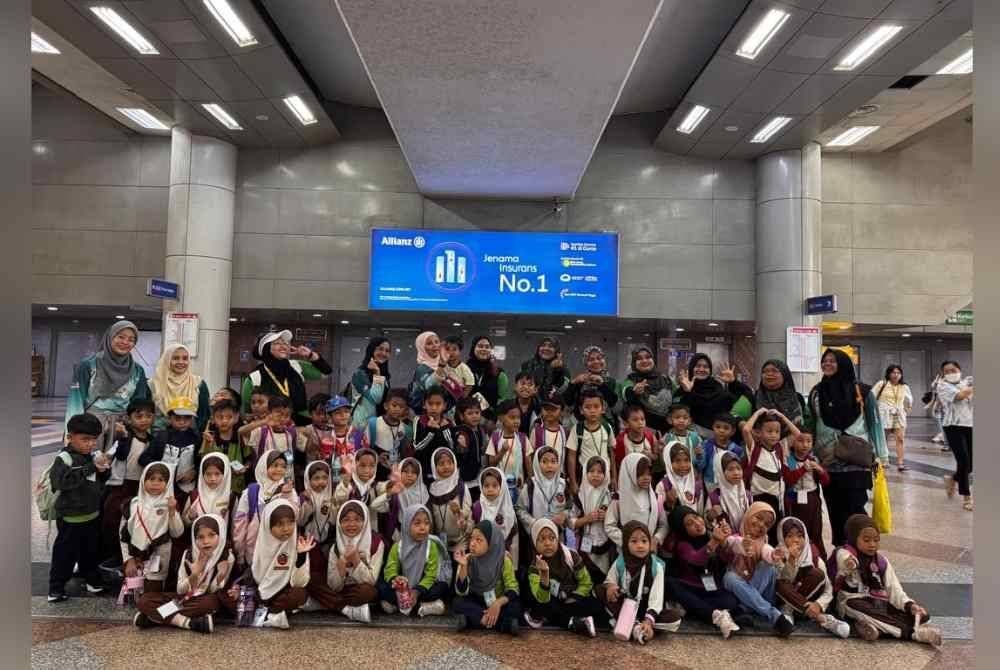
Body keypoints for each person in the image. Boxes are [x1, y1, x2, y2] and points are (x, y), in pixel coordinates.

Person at [808, 349, 887, 547]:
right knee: (834, 509)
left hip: (856, 461)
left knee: (856, 508)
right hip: (828, 461)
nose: (827, 364)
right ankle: (841, 549)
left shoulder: (863, 391)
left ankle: (862, 547)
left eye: (832, 361)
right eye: (824, 361)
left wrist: (881, 455)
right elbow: (813, 424)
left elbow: (875, 424)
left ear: (843, 364)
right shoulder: (817, 392)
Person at [831, 514, 942, 647]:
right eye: (866, 540)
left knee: (922, 617)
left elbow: (893, 589)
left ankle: (871, 627)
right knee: (862, 608)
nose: (872, 545)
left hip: (877, 600)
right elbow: (844, 560)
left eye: (876, 540)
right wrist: (849, 563)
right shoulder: (844, 552)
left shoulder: (881, 561)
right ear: (854, 538)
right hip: (850, 600)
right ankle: (911, 634)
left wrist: (910, 605)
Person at [222, 499, 313, 630]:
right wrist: (239, 590)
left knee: (299, 594)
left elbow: (300, 582)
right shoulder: (260, 544)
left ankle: (268, 614)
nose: (286, 529)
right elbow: (253, 574)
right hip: (259, 594)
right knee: (229, 597)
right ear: (267, 525)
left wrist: (301, 556)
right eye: (280, 524)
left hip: (282, 594)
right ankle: (273, 615)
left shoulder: (298, 544)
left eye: (290, 523)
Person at [134, 514, 232, 634]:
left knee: (211, 603)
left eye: (211, 535)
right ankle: (189, 623)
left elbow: (213, 591)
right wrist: (194, 575)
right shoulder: (188, 555)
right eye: (200, 537)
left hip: (202, 600)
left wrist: (220, 577)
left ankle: (154, 618)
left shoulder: (227, 557)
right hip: (184, 599)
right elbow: (180, 590)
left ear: (221, 534)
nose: (206, 541)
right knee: (144, 600)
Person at [48, 413, 109, 602]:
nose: (90, 444)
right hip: (70, 519)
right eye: (85, 439)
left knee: (90, 552)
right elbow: (61, 483)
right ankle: (56, 588)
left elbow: (98, 484)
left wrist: (104, 471)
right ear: (70, 437)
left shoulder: (92, 456)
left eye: (93, 440)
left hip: (92, 515)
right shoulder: (64, 458)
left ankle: (91, 580)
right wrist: (90, 468)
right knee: (65, 554)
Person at [64, 320, 150, 453]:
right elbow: (76, 401)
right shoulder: (88, 365)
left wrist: (132, 427)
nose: (125, 342)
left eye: (131, 339)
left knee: (116, 466)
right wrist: (73, 432)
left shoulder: (137, 371)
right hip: (91, 425)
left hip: (122, 426)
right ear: (110, 337)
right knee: (89, 464)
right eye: (120, 337)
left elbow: (138, 404)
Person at [664, 506, 743, 639]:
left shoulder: (710, 536)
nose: (697, 524)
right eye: (689, 524)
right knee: (670, 584)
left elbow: (727, 559)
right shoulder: (683, 545)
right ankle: (716, 615)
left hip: (709, 589)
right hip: (689, 587)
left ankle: (695, 610)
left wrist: (724, 542)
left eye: (696, 517)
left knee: (732, 601)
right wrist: (714, 542)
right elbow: (696, 560)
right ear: (683, 530)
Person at [597, 521, 680, 645]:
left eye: (644, 541)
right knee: (600, 590)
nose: (640, 546)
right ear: (626, 544)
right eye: (634, 541)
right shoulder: (621, 562)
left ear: (650, 543)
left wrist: (648, 620)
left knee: (674, 618)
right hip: (625, 606)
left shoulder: (657, 566)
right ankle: (636, 626)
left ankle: (637, 626)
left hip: (646, 609)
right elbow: (610, 580)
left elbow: (656, 598)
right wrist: (611, 586)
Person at [720, 502, 794, 637]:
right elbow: (731, 543)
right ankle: (774, 616)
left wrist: (774, 555)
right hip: (737, 586)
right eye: (759, 518)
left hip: (755, 587)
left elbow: (767, 551)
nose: (761, 525)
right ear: (749, 515)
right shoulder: (736, 537)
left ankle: (745, 608)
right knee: (729, 578)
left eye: (767, 524)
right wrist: (742, 545)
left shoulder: (762, 543)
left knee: (769, 568)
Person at [522, 518, 603, 637]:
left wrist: (574, 597)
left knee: (596, 606)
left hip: (573, 598)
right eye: (542, 539)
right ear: (535, 543)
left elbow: (586, 582)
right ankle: (575, 623)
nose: (548, 543)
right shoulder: (534, 567)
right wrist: (544, 574)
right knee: (542, 604)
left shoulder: (571, 556)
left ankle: (549, 618)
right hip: (552, 601)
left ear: (557, 538)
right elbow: (542, 598)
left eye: (552, 538)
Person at [307, 500, 383, 623]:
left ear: (365, 521)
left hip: (358, 590)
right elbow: (334, 586)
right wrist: (340, 569)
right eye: (346, 520)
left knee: (368, 592)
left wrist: (356, 561)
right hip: (342, 590)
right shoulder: (335, 547)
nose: (351, 524)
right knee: (312, 580)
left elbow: (371, 580)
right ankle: (346, 609)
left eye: (357, 519)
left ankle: (326, 603)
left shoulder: (376, 543)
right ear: (339, 523)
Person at [774, 517, 850, 638]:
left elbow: (828, 590)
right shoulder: (778, 555)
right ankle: (821, 618)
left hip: (810, 602)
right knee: (780, 583)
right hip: (785, 600)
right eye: (789, 536)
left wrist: (818, 605)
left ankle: (791, 610)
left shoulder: (814, 558)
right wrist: (791, 560)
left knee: (818, 574)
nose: (796, 540)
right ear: (782, 538)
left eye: (799, 536)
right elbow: (784, 581)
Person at [240, 329, 333, 426]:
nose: (283, 345)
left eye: (286, 343)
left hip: (300, 425)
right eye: (277, 343)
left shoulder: (296, 366)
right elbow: (247, 411)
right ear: (266, 349)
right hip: (270, 428)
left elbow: (325, 372)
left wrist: (310, 355)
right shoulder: (255, 377)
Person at [101, 398, 155, 563]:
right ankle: (114, 557)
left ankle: (133, 557)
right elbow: (121, 455)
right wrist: (122, 437)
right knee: (112, 520)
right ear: (129, 418)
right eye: (139, 416)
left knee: (133, 523)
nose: (144, 420)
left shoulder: (152, 440)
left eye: (148, 416)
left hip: (141, 487)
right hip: (121, 485)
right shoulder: (126, 436)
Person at [120, 462, 185, 590]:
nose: (155, 483)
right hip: (136, 557)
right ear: (143, 480)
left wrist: (172, 513)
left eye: (161, 480)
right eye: (151, 479)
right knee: (136, 591)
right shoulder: (132, 504)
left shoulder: (170, 504)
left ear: (168, 483)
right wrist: (128, 559)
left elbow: (177, 533)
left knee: (152, 591)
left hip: (159, 558)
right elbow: (123, 535)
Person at [378, 504, 450, 617]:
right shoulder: (398, 547)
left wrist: (416, 591)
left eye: (426, 523)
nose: (423, 527)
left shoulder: (431, 546)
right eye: (417, 523)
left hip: (422, 590)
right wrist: (396, 580)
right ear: (407, 525)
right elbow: (390, 569)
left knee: (442, 587)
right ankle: (425, 606)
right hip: (400, 589)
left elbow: (431, 575)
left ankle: (401, 605)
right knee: (381, 585)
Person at [452, 520, 522, 635]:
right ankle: (503, 624)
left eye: (479, 540)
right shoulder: (468, 559)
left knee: (516, 606)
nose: (472, 544)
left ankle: (473, 621)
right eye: (472, 539)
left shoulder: (503, 560)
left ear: (492, 543)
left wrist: (497, 604)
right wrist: (463, 567)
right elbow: (461, 592)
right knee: (457, 602)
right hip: (477, 600)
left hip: (498, 600)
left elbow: (513, 589)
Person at [742, 409, 799, 544]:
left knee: (773, 536)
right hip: (758, 499)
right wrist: (758, 413)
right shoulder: (754, 448)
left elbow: (797, 434)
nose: (773, 435)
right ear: (759, 433)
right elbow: (745, 430)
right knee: (756, 533)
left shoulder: (780, 447)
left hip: (776, 499)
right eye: (769, 431)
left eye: (777, 431)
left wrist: (782, 416)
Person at [231, 450, 297, 567]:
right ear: (264, 466)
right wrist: (240, 554)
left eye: (283, 466)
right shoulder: (251, 492)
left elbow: (295, 516)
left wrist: (288, 495)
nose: (279, 469)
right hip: (254, 548)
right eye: (274, 465)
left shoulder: (289, 490)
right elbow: (240, 525)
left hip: (280, 547)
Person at [139, 397, 201, 509]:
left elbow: (201, 461)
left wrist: (195, 472)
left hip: (186, 488)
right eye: (177, 418)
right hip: (161, 488)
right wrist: (161, 470)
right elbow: (143, 459)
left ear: (192, 419)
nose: (182, 422)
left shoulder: (197, 438)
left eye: (186, 418)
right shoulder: (162, 436)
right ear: (170, 418)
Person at [677, 354, 754, 436]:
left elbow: (747, 395)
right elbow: (678, 413)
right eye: (698, 366)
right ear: (692, 368)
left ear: (710, 370)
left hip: (719, 438)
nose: (701, 369)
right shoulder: (684, 387)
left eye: (706, 367)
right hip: (692, 438)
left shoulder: (717, 387)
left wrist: (733, 382)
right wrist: (687, 392)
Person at [605, 453, 666, 551]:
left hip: (649, 550)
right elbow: (609, 526)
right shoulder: (619, 498)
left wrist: (656, 539)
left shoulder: (655, 497)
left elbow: (663, 525)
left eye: (648, 474)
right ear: (630, 473)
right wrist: (629, 541)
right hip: (626, 552)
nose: (646, 477)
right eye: (641, 474)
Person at [783, 433, 829, 559]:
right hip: (795, 500)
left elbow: (825, 482)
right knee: (798, 531)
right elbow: (789, 480)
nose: (805, 445)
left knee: (816, 532)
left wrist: (820, 471)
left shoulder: (813, 459)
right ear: (793, 443)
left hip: (812, 499)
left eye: (808, 441)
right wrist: (803, 469)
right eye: (801, 441)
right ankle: (798, 558)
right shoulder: (788, 460)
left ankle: (819, 559)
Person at [936, 360, 974, 511]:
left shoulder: (967, 382)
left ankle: (953, 478)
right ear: (943, 374)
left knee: (972, 463)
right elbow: (959, 396)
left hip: (970, 424)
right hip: (952, 426)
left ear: (960, 369)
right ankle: (967, 496)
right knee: (963, 460)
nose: (951, 373)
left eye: (954, 370)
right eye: (947, 371)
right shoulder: (942, 385)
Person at [570, 456, 615, 580]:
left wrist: (607, 516)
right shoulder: (579, 496)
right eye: (591, 471)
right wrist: (586, 519)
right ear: (585, 472)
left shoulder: (610, 496)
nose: (595, 475)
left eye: (600, 472)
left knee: (602, 576)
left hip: (605, 545)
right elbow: (570, 522)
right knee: (585, 577)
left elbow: (617, 520)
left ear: (605, 475)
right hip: (584, 545)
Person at [149, 343, 211, 432]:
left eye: (185, 358)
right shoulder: (153, 384)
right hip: (159, 439)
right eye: (175, 358)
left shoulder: (198, 383)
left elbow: (203, 416)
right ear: (167, 359)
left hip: (190, 439)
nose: (181, 362)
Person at [566, 389, 616, 496]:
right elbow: (571, 456)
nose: (592, 410)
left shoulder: (607, 427)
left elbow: (612, 453)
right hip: (585, 478)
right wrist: (573, 482)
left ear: (603, 409)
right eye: (587, 407)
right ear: (581, 410)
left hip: (605, 476)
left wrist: (614, 477)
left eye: (596, 406)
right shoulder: (577, 429)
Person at [333, 448, 393, 533]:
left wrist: (393, 480)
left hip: (370, 531)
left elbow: (385, 487)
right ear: (354, 465)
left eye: (372, 466)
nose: (367, 470)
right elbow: (340, 498)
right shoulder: (348, 486)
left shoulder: (375, 486)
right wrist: (346, 481)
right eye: (362, 465)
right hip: (349, 531)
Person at [515, 445, 570, 536]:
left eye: (553, 461)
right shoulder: (530, 485)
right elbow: (520, 509)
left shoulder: (563, 485)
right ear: (537, 463)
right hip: (537, 533)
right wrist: (534, 522)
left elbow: (571, 507)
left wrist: (564, 514)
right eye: (544, 461)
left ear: (558, 463)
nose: (549, 465)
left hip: (558, 533)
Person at [620, 346, 675, 434]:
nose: (644, 361)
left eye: (648, 357)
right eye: (639, 358)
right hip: (642, 434)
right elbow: (626, 393)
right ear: (634, 363)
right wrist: (634, 392)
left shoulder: (665, 379)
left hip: (668, 432)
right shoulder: (630, 380)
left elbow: (677, 399)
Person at [200, 399, 250, 494]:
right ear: (213, 419)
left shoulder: (241, 437)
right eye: (220, 417)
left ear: (236, 418)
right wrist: (207, 444)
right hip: (213, 487)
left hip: (236, 487)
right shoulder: (209, 436)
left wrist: (245, 468)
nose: (224, 421)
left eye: (229, 417)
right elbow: (203, 461)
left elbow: (249, 459)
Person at [427, 448, 471, 554]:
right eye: (441, 464)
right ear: (434, 467)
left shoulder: (461, 487)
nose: (446, 466)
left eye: (449, 463)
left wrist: (458, 512)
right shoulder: (431, 489)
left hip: (461, 542)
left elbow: (468, 512)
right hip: (439, 543)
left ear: (454, 463)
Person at [473, 467, 519, 567]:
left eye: (495, 486)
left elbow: (514, 538)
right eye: (486, 486)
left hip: (505, 556)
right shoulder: (477, 507)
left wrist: (513, 565)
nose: (490, 489)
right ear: (481, 487)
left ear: (502, 487)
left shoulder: (508, 508)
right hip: (483, 556)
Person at [363, 388, 413, 482]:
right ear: (386, 406)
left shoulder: (405, 429)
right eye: (394, 405)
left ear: (405, 410)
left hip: (394, 475)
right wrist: (376, 458)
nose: (397, 409)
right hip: (374, 473)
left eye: (401, 407)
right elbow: (363, 450)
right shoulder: (374, 424)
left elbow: (404, 453)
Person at [486, 399, 532, 499]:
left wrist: (531, 480)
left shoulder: (523, 438)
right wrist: (502, 451)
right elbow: (491, 463)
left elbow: (528, 461)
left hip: (518, 485)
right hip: (499, 486)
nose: (516, 421)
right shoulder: (495, 438)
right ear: (501, 418)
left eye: (518, 418)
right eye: (512, 417)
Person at [298, 461, 335, 582]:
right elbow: (300, 522)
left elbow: (334, 522)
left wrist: (334, 507)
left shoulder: (330, 496)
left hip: (325, 542)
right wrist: (308, 504)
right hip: (308, 543)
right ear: (308, 480)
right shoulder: (303, 497)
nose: (321, 482)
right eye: (316, 478)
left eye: (325, 478)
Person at [872, 365, 913, 472]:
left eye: (898, 373)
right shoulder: (882, 384)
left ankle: (900, 463)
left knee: (900, 439)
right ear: (889, 374)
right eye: (893, 372)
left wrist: (906, 409)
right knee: (883, 439)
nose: (896, 375)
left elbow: (909, 400)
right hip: (884, 415)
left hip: (899, 415)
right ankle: (884, 460)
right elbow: (871, 396)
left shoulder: (904, 387)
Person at [412, 388, 455, 486]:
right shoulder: (419, 420)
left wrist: (444, 429)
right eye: (430, 404)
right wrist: (431, 431)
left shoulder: (449, 423)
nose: (434, 408)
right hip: (424, 468)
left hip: (443, 469)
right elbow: (417, 446)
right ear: (424, 405)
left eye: (438, 404)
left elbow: (452, 447)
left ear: (444, 406)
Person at [565, 345, 618, 424]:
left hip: (605, 426)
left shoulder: (611, 381)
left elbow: (613, 403)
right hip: (582, 426)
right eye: (591, 359)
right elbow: (568, 401)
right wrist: (573, 383)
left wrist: (602, 385)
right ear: (586, 363)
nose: (596, 362)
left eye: (599, 358)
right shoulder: (580, 381)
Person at [466, 335, 513, 421]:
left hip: (490, 421)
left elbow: (502, 399)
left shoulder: (499, 373)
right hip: (466, 418)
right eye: (480, 346)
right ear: (473, 348)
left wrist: (493, 419)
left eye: (487, 347)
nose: (484, 349)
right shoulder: (464, 369)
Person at [349, 336, 391, 429]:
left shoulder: (385, 374)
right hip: (361, 425)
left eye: (387, 351)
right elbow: (376, 398)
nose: (384, 353)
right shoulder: (360, 373)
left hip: (378, 423)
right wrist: (377, 373)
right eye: (380, 349)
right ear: (371, 350)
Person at [755, 359, 808, 432]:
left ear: (784, 374)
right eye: (765, 371)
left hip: (792, 440)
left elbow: (803, 428)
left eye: (774, 371)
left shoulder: (797, 398)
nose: (769, 374)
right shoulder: (755, 396)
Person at [182, 453, 234, 526]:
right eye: (208, 474)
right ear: (202, 474)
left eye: (217, 474)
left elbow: (236, 525)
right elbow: (184, 522)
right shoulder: (195, 495)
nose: (212, 479)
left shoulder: (231, 497)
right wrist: (190, 517)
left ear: (225, 474)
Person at [384, 458, 428, 542]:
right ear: (400, 472)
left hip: (419, 533)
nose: (409, 475)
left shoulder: (423, 492)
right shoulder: (395, 489)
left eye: (414, 472)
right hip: (399, 532)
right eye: (406, 471)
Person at [453, 396, 488, 499]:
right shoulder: (462, 432)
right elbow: (459, 453)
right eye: (470, 413)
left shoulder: (480, 430)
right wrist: (461, 445)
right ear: (461, 416)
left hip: (477, 474)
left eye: (477, 413)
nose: (474, 416)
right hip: (465, 477)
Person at [707, 453, 752, 531]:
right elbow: (709, 525)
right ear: (720, 471)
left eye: (738, 468)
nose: (736, 473)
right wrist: (710, 517)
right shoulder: (714, 497)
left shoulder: (747, 495)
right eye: (730, 469)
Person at [656, 442, 703, 514]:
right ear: (668, 462)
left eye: (686, 460)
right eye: (677, 461)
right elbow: (661, 516)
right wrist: (668, 504)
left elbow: (700, 512)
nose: (683, 465)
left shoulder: (696, 483)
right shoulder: (663, 485)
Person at [699, 413, 742, 490]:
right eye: (718, 427)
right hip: (710, 483)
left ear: (733, 431)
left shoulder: (736, 449)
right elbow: (701, 466)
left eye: (726, 428)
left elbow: (739, 469)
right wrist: (699, 456)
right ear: (713, 427)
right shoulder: (706, 445)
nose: (721, 430)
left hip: (730, 484)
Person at [528, 390, 569, 469]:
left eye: (553, 409)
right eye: (546, 409)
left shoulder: (565, 432)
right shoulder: (536, 431)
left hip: (560, 477)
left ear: (562, 411)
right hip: (540, 477)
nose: (549, 412)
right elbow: (530, 456)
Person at [409, 331, 446, 414]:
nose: (435, 345)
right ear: (422, 348)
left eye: (437, 342)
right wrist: (440, 367)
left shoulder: (445, 362)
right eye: (429, 343)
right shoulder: (421, 368)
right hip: (426, 413)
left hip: (443, 412)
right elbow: (430, 386)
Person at [613, 404, 656, 471]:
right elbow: (618, 464)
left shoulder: (650, 436)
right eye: (635, 420)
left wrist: (650, 455)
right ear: (626, 424)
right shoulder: (620, 441)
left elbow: (655, 458)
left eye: (642, 419)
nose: (640, 422)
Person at [442, 334, 475, 399]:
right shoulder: (442, 366)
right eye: (447, 349)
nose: (450, 352)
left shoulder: (464, 368)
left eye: (454, 349)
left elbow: (470, 383)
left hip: (458, 397)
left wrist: (462, 398)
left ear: (460, 351)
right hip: (445, 397)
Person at [513, 371, 541, 436]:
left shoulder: (540, 409)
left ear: (535, 390)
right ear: (515, 386)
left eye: (530, 385)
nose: (525, 387)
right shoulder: (507, 408)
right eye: (522, 383)